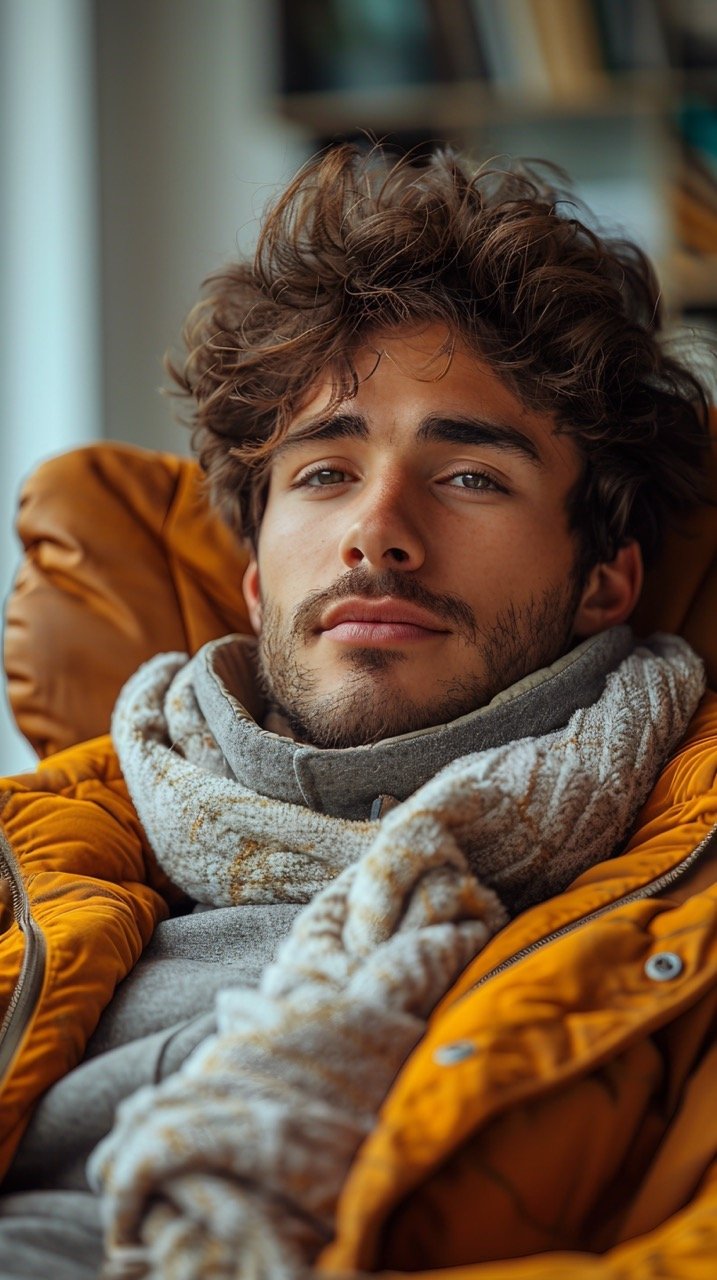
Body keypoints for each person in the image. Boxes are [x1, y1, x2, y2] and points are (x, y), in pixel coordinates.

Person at [0, 144, 715, 1278]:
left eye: (472, 474)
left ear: (605, 577)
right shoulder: (30, 852)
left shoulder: (695, 908)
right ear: (253, 578)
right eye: (325, 472)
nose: (377, 529)